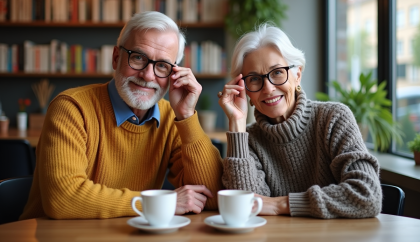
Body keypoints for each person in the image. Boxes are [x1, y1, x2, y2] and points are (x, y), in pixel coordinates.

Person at [20, 11, 223, 220]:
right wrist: (161, 203)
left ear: (174, 74)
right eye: (138, 57)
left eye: (162, 65)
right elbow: (63, 199)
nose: (147, 75)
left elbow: (212, 195)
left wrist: (187, 116)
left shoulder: (172, 119)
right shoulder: (71, 108)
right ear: (116, 58)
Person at [218, 23, 382, 219]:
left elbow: (367, 195)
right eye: (254, 79)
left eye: (277, 72)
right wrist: (237, 124)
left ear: (297, 75)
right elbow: (245, 208)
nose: (268, 88)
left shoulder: (333, 118)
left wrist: (281, 204)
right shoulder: (248, 141)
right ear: (243, 89)